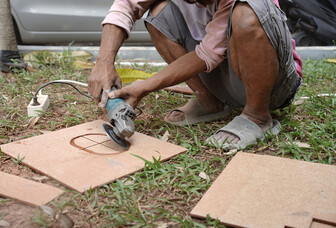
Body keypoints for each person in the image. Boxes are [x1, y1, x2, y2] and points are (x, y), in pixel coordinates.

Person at [88, 0, 303, 150]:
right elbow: (126, 5)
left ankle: (257, 115)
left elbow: (207, 53)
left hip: (273, 82)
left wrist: (145, 86)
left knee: (247, 11)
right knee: (158, 11)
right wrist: (104, 61)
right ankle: (210, 100)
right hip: (223, 73)